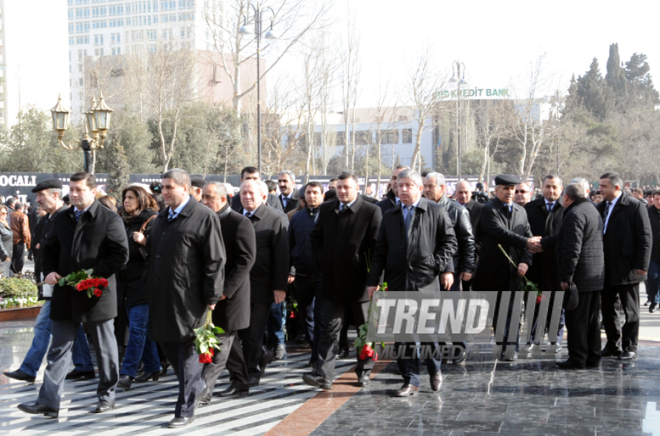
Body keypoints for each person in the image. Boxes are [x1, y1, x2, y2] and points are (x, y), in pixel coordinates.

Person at [17, 172, 129, 418]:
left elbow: (120, 255)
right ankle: (48, 402)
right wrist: (49, 271)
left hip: (96, 294)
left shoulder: (109, 219)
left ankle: (106, 396)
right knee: (58, 349)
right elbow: (50, 248)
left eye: (79, 189)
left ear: (92, 190)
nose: (74, 194)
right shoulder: (64, 218)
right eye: (72, 189)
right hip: (65, 294)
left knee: (105, 349)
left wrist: (92, 275)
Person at [143, 169, 225, 428]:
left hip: (191, 298)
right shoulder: (162, 218)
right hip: (163, 295)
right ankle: (198, 385)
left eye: (169, 187)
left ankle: (185, 409)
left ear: (185, 188)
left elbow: (215, 259)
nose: (164, 192)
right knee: (169, 346)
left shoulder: (204, 217)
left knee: (188, 353)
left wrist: (212, 295)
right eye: (162, 188)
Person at [367, 169, 457, 396]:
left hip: (425, 283)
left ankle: (435, 369)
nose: (403, 190)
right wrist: (374, 280)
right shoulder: (389, 215)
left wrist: (435, 265)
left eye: (408, 185)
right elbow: (380, 251)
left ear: (419, 188)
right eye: (399, 185)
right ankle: (411, 380)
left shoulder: (435, 211)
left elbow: (450, 242)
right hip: (398, 282)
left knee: (429, 335)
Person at [3, 180, 93, 384]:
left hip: (62, 282)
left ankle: (29, 368)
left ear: (55, 195)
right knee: (73, 325)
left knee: (43, 325)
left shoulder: (68, 218)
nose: (37, 200)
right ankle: (85, 365)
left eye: (41, 196)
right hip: (49, 281)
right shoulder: (46, 220)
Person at [304, 171, 382, 390]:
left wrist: (374, 280)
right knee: (328, 329)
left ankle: (364, 371)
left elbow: (378, 249)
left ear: (357, 188)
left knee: (364, 331)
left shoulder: (371, 211)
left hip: (361, 284)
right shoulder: (328, 208)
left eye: (346, 187)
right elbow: (316, 237)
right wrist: (323, 259)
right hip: (331, 282)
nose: (342, 191)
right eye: (339, 187)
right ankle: (324, 375)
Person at [471, 175, 539, 361]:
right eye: (506, 189)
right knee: (498, 311)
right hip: (494, 270)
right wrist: (527, 242)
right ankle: (503, 344)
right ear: (496, 190)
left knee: (513, 310)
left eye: (513, 189)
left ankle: (512, 347)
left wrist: (526, 260)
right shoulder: (488, 210)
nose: (510, 193)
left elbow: (527, 233)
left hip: (515, 271)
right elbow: (500, 233)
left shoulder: (521, 211)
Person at [200, 181, 255, 401]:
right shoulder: (205, 221)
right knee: (228, 343)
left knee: (220, 343)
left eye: (208, 198)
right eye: (202, 196)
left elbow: (246, 260)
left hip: (231, 296)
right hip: (210, 292)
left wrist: (225, 290)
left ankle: (202, 391)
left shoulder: (239, 223)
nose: (203, 201)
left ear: (223, 200)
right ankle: (241, 382)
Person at [544, 183, 604, 370]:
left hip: (579, 278)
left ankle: (577, 358)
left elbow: (572, 248)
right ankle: (592, 357)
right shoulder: (591, 209)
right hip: (594, 276)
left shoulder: (575, 214)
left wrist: (566, 277)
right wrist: (543, 242)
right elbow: (564, 237)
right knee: (592, 321)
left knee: (577, 320)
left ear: (567, 197)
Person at [238, 179, 289, 386]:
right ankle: (262, 355)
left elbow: (282, 255)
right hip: (237, 286)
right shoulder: (236, 218)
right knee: (240, 331)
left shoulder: (275, 219)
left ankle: (252, 370)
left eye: (251, 193)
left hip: (262, 285)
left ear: (263, 196)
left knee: (254, 331)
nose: (247, 197)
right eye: (243, 193)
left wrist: (280, 287)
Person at [598, 172, 652, 360]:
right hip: (606, 267)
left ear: (616, 187)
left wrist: (641, 265)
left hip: (628, 267)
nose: (600, 189)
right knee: (608, 308)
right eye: (600, 185)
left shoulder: (635, 206)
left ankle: (630, 345)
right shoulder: (601, 207)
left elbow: (645, 238)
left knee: (630, 310)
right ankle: (613, 344)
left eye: (604, 186)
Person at [423, 173, 475, 362]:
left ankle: (458, 347)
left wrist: (467, 267)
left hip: (451, 269)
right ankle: (440, 349)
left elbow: (467, 241)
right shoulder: (422, 207)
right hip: (428, 270)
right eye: (425, 186)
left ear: (443, 188)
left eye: (431, 186)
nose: (427, 190)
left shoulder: (456, 210)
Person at [116, 186, 161, 391]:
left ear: (141, 200)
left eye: (131, 197)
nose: (126, 201)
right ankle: (152, 366)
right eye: (125, 197)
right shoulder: (124, 222)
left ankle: (127, 373)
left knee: (136, 329)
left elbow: (161, 250)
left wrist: (145, 242)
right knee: (141, 329)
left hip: (143, 284)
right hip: (126, 284)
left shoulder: (152, 220)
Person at [525, 175, 564, 353]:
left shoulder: (566, 209)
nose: (551, 190)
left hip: (557, 264)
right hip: (535, 264)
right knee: (534, 301)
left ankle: (555, 339)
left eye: (555, 187)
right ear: (542, 187)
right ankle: (533, 338)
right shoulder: (530, 208)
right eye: (548, 186)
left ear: (561, 189)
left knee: (556, 303)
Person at [289, 182, 324, 369]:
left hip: (322, 275)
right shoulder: (296, 218)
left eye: (315, 193)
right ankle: (314, 351)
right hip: (302, 275)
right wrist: (290, 270)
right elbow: (290, 245)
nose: (312, 196)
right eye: (309, 193)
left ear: (322, 195)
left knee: (320, 316)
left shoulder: (328, 217)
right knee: (306, 316)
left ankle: (320, 355)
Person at [646, 190, 660, 313]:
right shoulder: (647, 213)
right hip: (652, 254)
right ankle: (654, 300)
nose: (659, 202)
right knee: (653, 278)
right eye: (656, 199)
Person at [10, 201, 31, 273]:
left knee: (11, 259)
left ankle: (11, 274)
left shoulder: (9, 215)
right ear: (22, 208)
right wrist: (25, 241)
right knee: (19, 260)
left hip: (9, 240)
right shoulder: (23, 216)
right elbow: (24, 231)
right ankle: (18, 274)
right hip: (19, 241)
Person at [0, 205, 12, 277]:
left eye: (6, 213)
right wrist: (5, 254)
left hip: (6, 256)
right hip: (2, 257)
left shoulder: (5, 223)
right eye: (3, 213)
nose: (5, 215)